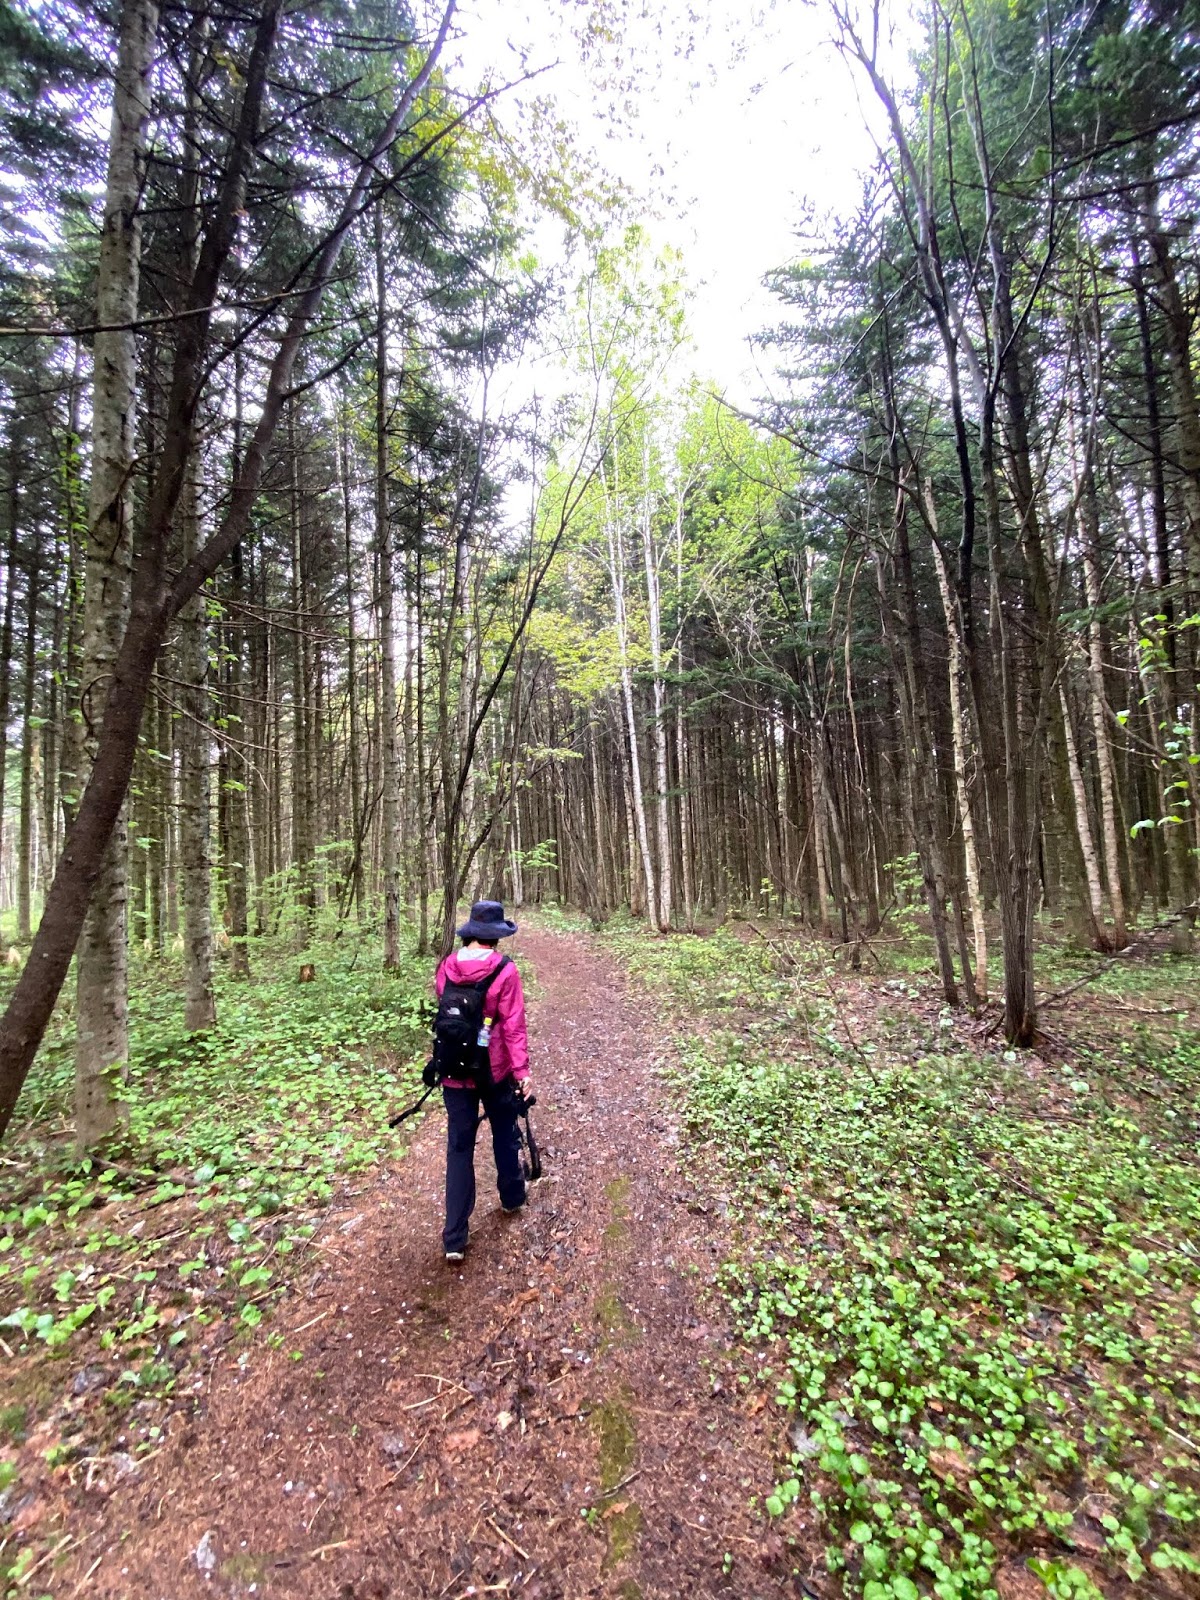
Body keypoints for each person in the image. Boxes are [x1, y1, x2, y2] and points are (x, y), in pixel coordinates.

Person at [435, 899, 531, 1263]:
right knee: (504, 1134)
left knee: (458, 1149)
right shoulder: (505, 971)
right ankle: (512, 1198)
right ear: (496, 937)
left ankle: (455, 1238)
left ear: (471, 932)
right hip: (494, 1071)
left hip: (454, 1071)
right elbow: (513, 1027)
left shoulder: (446, 967)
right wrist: (522, 1073)